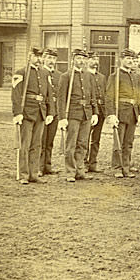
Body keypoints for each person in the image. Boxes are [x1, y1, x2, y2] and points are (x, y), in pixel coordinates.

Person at [11, 47, 55, 184]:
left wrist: (50, 112)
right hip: (26, 113)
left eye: (40, 56)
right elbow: (16, 95)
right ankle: (24, 174)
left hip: (41, 112)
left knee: (37, 145)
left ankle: (34, 173)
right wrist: (17, 113)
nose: (38, 59)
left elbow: (49, 94)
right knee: (25, 144)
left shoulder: (44, 73)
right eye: (36, 56)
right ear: (29, 56)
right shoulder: (21, 72)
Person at [58, 48, 99, 183]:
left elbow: (93, 95)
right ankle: (70, 171)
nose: (81, 61)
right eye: (78, 58)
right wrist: (62, 117)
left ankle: (80, 170)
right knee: (71, 144)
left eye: (83, 59)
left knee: (82, 143)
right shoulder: (66, 76)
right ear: (73, 60)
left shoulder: (89, 76)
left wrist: (95, 113)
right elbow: (61, 98)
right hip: (73, 113)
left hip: (86, 114)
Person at [105, 48, 140, 178]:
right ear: (121, 60)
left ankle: (126, 167)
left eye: (132, 59)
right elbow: (109, 97)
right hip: (120, 112)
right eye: (128, 59)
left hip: (133, 113)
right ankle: (117, 167)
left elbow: (139, 97)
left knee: (129, 142)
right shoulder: (115, 76)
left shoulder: (136, 77)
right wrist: (111, 115)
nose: (130, 61)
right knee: (118, 141)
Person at [39, 48, 62, 175]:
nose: (51, 61)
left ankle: (48, 166)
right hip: (42, 110)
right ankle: (39, 166)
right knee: (41, 140)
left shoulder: (59, 75)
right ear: (43, 59)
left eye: (53, 58)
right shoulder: (40, 73)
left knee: (50, 140)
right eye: (49, 58)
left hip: (55, 111)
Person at [85, 52, 106, 173]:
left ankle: (93, 163)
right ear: (87, 60)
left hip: (100, 111)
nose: (95, 61)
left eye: (97, 59)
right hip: (89, 110)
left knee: (96, 139)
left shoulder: (102, 77)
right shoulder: (84, 75)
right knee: (85, 138)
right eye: (93, 59)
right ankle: (83, 163)